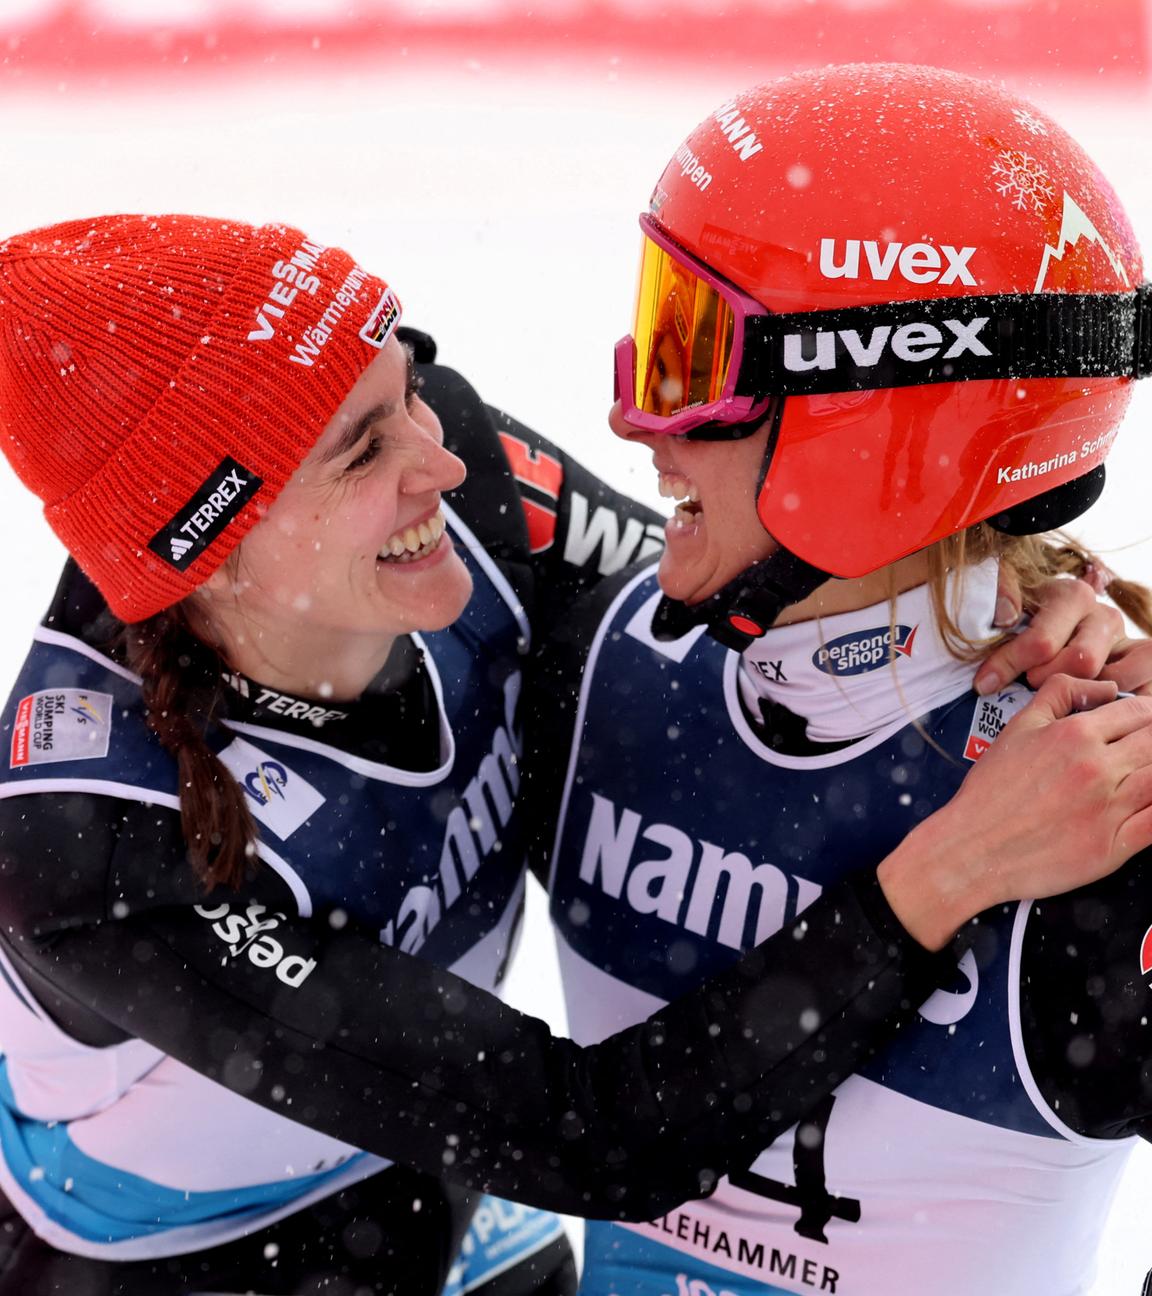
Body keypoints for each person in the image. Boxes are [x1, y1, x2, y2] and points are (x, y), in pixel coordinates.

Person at [0, 209, 1145, 1296]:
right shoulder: (92, 842)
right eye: (362, 451)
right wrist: (952, 874)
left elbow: (754, 584)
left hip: (437, 1172)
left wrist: (1033, 603)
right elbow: (593, 1135)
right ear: (208, 549)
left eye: (410, 389)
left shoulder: (465, 505)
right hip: (186, 1254)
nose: (443, 462)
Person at [534, 63, 1152, 1296]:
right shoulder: (591, 655)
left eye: (693, 356)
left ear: (873, 428)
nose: (638, 424)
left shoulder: (1110, 806)